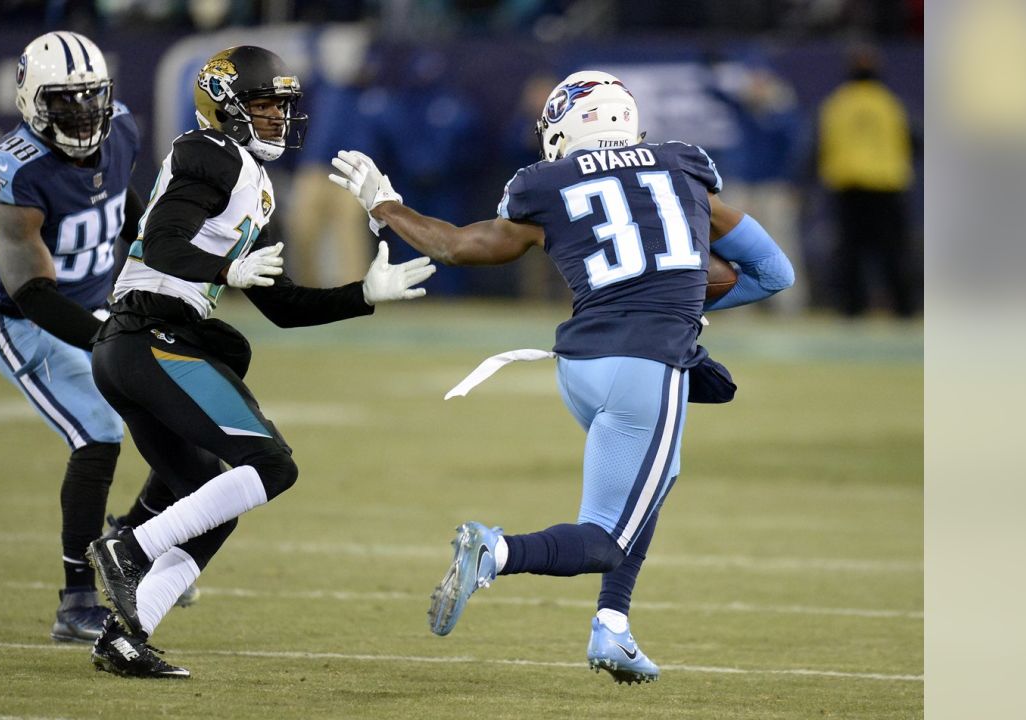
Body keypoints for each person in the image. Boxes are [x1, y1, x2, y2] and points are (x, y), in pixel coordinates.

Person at [328, 71, 794, 683]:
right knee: (605, 538)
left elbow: (459, 246)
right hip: (646, 367)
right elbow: (772, 272)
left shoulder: (544, 184)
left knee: (653, 483)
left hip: (580, 364)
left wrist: (385, 205)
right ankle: (495, 551)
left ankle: (613, 629)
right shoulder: (683, 168)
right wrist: (676, 296)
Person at [83, 46, 435, 679]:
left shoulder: (247, 176)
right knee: (270, 465)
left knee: (211, 502)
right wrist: (224, 269)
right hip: (149, 335)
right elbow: (161, 241)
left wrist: (364, 294)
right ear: (225, 106)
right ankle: (129, 546)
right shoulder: (210, 154)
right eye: (265, 104)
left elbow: (282, 305)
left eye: (282, 106)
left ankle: (124, 634)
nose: (278, 118)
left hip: (143, 343)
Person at [0, 31, 197, 645]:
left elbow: (122, 205)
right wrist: (108, 330)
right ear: (30, 101)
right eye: (63, 102)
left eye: (89, 99)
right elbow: (32, 293)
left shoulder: (122, 128)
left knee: (182, 422)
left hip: (105, 311)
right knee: (98, 435)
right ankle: (75, 601)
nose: (81, 114)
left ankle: (131, 546)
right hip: (31, 327)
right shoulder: (13, 171)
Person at [818, 46, 916, 318]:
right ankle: (904, 309)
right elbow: (913, 141)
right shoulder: (890, 103)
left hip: (849, 186)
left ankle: (851, 309)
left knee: (851, 253)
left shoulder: (838, 103)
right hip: (887, 185)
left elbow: (820, 144)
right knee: (893, 252)